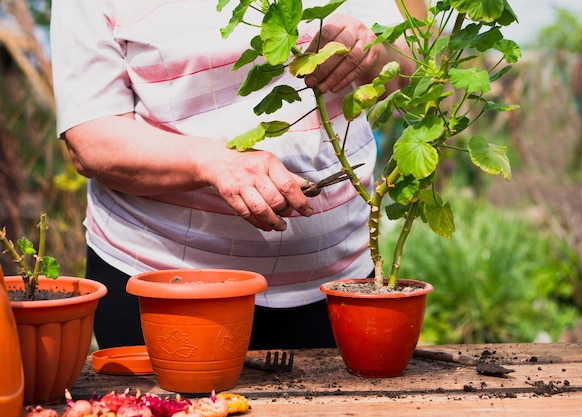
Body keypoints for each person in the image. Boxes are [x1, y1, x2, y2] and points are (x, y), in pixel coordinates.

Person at [50, 0, 420, 350]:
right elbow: (92, 141)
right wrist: (212, 163)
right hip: (165, 287)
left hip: (343, 282)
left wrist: (375, 51)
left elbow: (412, 67)